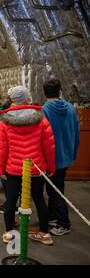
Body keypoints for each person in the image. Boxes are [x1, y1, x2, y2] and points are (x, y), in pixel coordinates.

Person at [0, 86, 56, 245]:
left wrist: (1, 168)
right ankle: (44, 233)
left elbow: (2, 148)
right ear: (27, 98)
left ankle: (9, 233)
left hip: (13, 169)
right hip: (36, 168)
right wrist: (50, 167)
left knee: (11, 200)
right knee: (39, 199)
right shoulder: (41, 119)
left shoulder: (5, 121)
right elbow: (49, 147)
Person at [42, 78, 80, 236]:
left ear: (45, 93)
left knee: (55, 191)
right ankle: (52, 216)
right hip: (66, 155)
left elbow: (43, 136)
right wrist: (73, 152)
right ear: (59, 91)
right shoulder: (71, 108)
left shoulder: (46, 109)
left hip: (51, 157)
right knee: (56, 187)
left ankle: (64, 223)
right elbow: (77, 133)